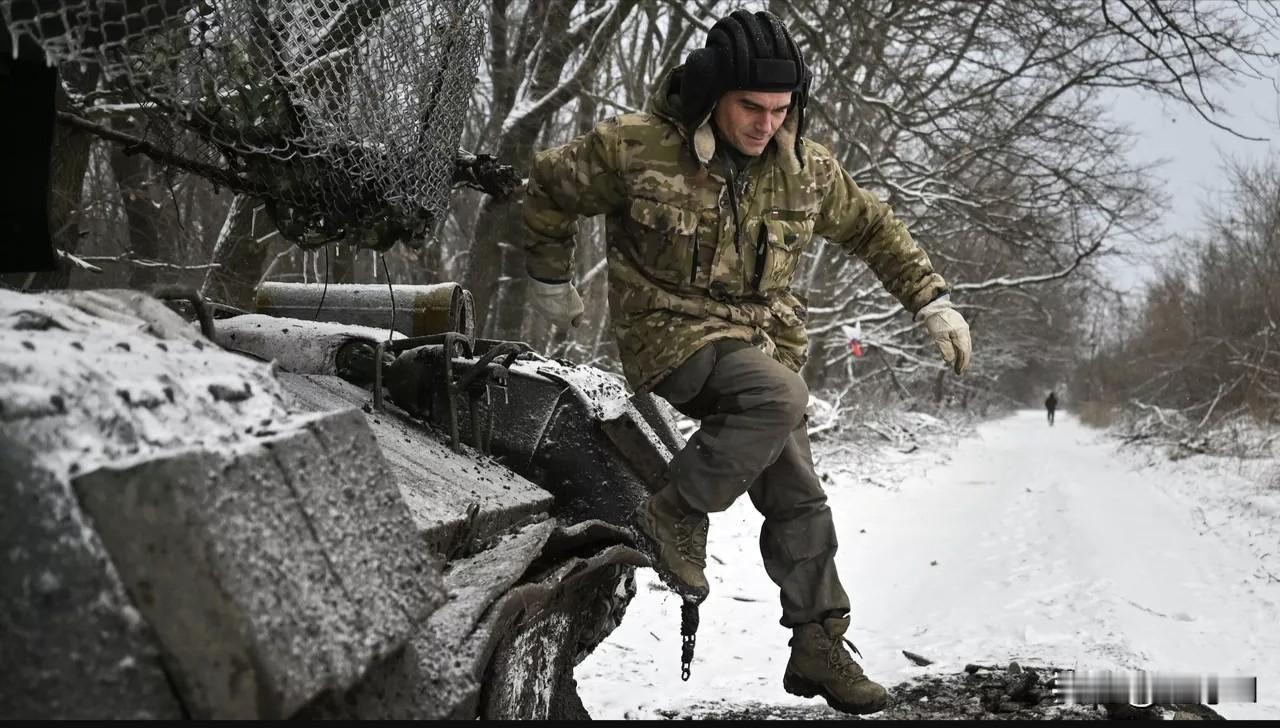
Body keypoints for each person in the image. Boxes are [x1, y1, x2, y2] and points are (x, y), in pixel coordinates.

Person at [520, 8, 972, 716]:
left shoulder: (805, 170)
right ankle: (672, 510)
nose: (766, 125)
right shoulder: (636, 149)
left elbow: (875, 229)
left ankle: (818, 643)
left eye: (780, 110)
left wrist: (932, 301)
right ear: (712, 97)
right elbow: (547, 186)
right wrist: (549, 277)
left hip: (762, 347)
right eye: (751, 108)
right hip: (670, 336)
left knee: (799, 492)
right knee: (778, 398)